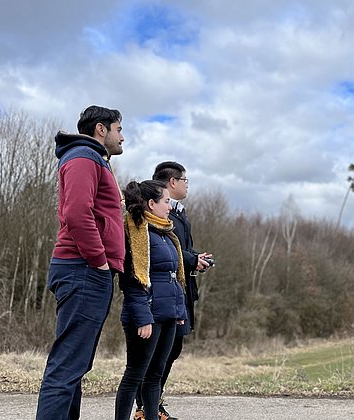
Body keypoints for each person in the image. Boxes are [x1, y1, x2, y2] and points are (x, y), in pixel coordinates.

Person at [36, 105, 126, 420]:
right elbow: (76, 214)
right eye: (119, 129)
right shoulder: (83, 158)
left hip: (87, 270)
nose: (122, 137)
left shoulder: (94, 160)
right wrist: (99, 260)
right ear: (101, 129)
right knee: (68, 364)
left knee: (76, 363)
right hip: (83, 269)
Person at [131, 161, 213, 420]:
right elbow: (160, 254)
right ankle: (145, 408)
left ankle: (153, 405)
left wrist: (196, 257)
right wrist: (191, 259)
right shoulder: (154, 216)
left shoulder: (178, 213)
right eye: (185, 180)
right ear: (172, 183)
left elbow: (179, 249)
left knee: (172, 350)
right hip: (161, 295)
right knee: (155, 356)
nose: (188, 185)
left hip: (180, 291)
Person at [115, 180, 188, 420]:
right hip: (147, 316)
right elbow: (133, 279)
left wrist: (179, 312)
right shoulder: (136, 232)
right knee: (135, 374)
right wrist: (143, 318)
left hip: (167, 315)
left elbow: (172, 278)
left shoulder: (165, 233)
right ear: (151, 203)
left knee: (155, 375)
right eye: (166, 201)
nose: (169, 206)